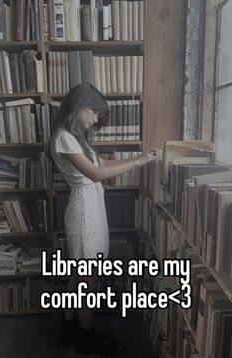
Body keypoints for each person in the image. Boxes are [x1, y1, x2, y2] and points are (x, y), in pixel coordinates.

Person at [50, 83, 156, 354]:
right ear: (80, 106)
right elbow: (95, 174)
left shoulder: (78, 138)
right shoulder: (63, 137)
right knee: (89, 279)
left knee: (78, 275)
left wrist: (138, 158)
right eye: (94, 112)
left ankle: (69, 328)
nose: (96, 120)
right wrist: (136, 163)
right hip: (84, 210)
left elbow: (103, 165)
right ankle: (86, 337)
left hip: (91, 207)